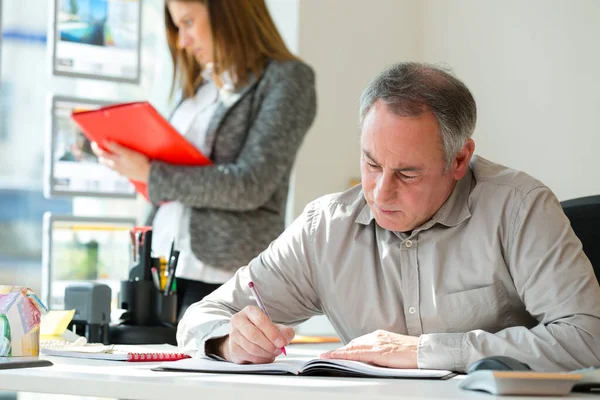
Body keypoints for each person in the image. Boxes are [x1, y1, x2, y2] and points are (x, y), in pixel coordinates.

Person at [177, 62, 600, 372]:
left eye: (408, 173)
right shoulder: (325, 228)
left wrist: (423, 351)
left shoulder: (520, 208)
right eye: (371, 164)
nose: (380, 193)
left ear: (460, 159)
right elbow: (200, 316)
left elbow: (588, 339)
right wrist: (229, 340)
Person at [93, 0, 316, 319]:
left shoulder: (288, 79)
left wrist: (152, 174)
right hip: (163, 267)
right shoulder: (199, 83)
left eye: (187, 23)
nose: (182, 41)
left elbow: (251, 183)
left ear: (227, 12)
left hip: (222, 277)